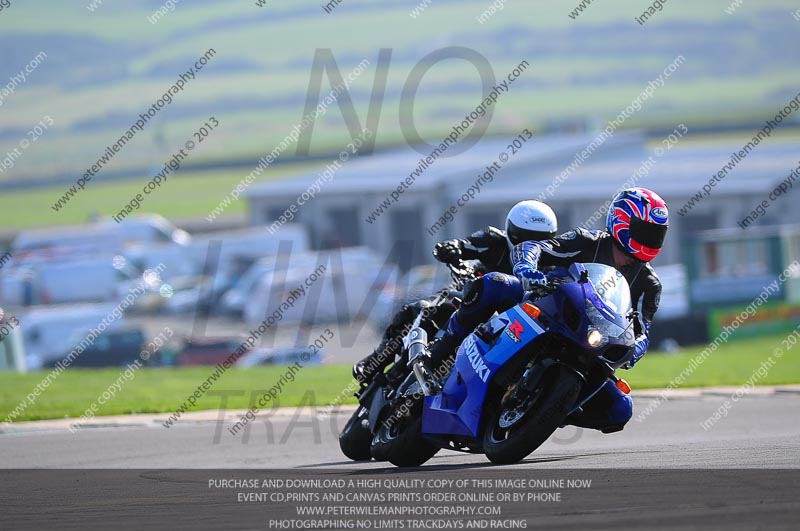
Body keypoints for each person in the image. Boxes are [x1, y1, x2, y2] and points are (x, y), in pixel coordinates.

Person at [427, 187, 669, 433]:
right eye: (645, 231)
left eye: (657, 234)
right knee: (495, 284)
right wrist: (526, 267)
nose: (650, 239)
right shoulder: (586, 241)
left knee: (620, 409)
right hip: (542, 306)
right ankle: (439, 352)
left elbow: (642, 329)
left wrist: (633, 350)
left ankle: (547, 409)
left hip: (589, 341)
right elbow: (535, 248)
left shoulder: (649, 284)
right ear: (621, 221)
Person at [352, 200, 558, 382]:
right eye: (525, 237)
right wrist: (451, 249)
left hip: (509, 322)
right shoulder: (493, 240)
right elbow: (464, 244)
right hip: (471, 299)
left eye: (539, 239)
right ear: (512, 231)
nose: (530, 245)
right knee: (424, 308)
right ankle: (377, 361)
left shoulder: (552, 262)